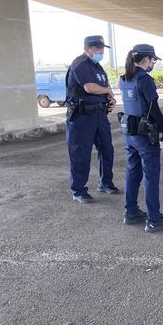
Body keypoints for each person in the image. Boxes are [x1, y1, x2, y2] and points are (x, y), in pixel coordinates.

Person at [119, 44, 163, 233]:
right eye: (153, 60)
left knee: (133, 172)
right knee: (151, 177)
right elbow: (154, 109)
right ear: (145, 60)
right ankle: (153, 219)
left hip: (130, 134)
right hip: (145, 136)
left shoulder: (124, 79)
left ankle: (131, 212)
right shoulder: (144, 79)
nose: (153, 63)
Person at [65, 35, 120, 203]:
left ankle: (105, 183)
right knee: (80, 154)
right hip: (82, 117)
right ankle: (79, 191)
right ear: (88, 49)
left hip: (99, 115)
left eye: (102, 48)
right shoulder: (80, 64)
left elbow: (104, 89)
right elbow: (89, 88)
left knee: (107, 150)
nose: (101, 51)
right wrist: (108, 91)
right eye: (98, 49)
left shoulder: (98, 68)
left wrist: (110, 100)